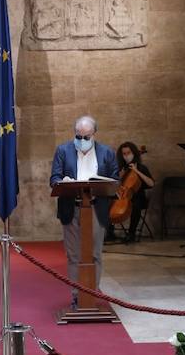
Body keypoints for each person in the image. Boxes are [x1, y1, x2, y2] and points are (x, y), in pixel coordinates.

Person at [50, 115, 119, 307]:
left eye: (86, 137)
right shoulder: (63, 150)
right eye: (78, 136)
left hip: (96, 208)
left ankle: (91, 293)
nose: (82, 141)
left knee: (95, 253)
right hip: (71, 207)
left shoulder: (106, 152)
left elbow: (115, 180)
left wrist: (106, 184)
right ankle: (76, 294)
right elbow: (54, 178)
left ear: (94, 134)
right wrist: (62, 181)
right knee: (73, 254)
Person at [107, 141, 154, 244]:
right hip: (123, 196)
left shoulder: (142, 168)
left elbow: (151, 184)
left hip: (138, 198)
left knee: (136, 205)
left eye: (128, 153)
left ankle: (131, 234)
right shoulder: (122, 168)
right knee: (106, 201)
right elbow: (113, 185)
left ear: (134, 153)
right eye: (124, 154)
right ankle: (110, 233)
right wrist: (119, 177)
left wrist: (137, 171)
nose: (126, 156)